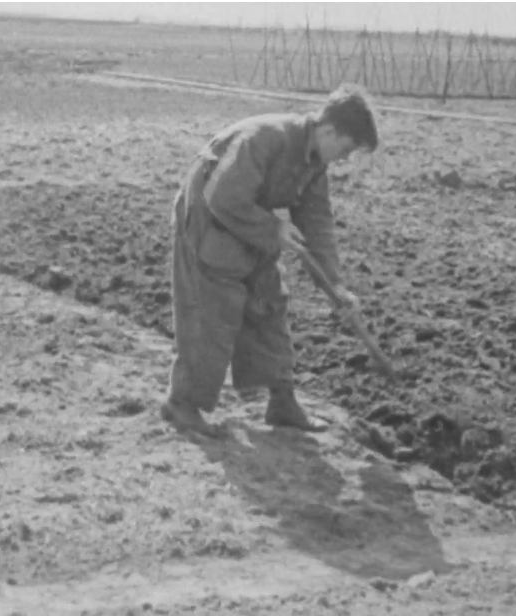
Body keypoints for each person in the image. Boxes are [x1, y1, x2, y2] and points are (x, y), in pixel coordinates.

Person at [162, 84, 379, 437]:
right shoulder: (266, 138)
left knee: (269, 301)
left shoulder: (315, 164)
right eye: (346, 149)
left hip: (249, 220)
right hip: (208, 215)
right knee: (213, 307)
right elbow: (222, 195)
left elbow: (317, 224)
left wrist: (336, 285)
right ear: (328, 131)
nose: (345, 159)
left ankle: (282, 401)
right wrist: (272, 228)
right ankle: (182, 404)